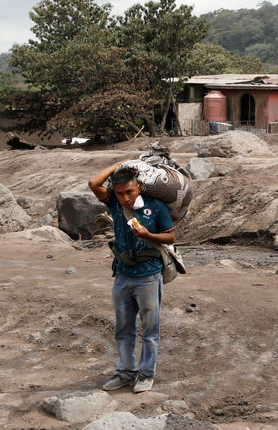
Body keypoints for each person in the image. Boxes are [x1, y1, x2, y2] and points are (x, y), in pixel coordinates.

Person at [88, 160, 175, 393]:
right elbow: (93, 183)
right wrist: (119, 164)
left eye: (130, 192)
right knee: (123, 329)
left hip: (149, 275)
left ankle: (146, 375)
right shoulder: (115, 206)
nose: (125, 198)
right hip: (123, 276)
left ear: (138, 187)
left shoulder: (155, 206)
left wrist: (148, 235)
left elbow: (171, 238)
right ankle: (126, 373)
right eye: (120, 194)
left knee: (150, 329)